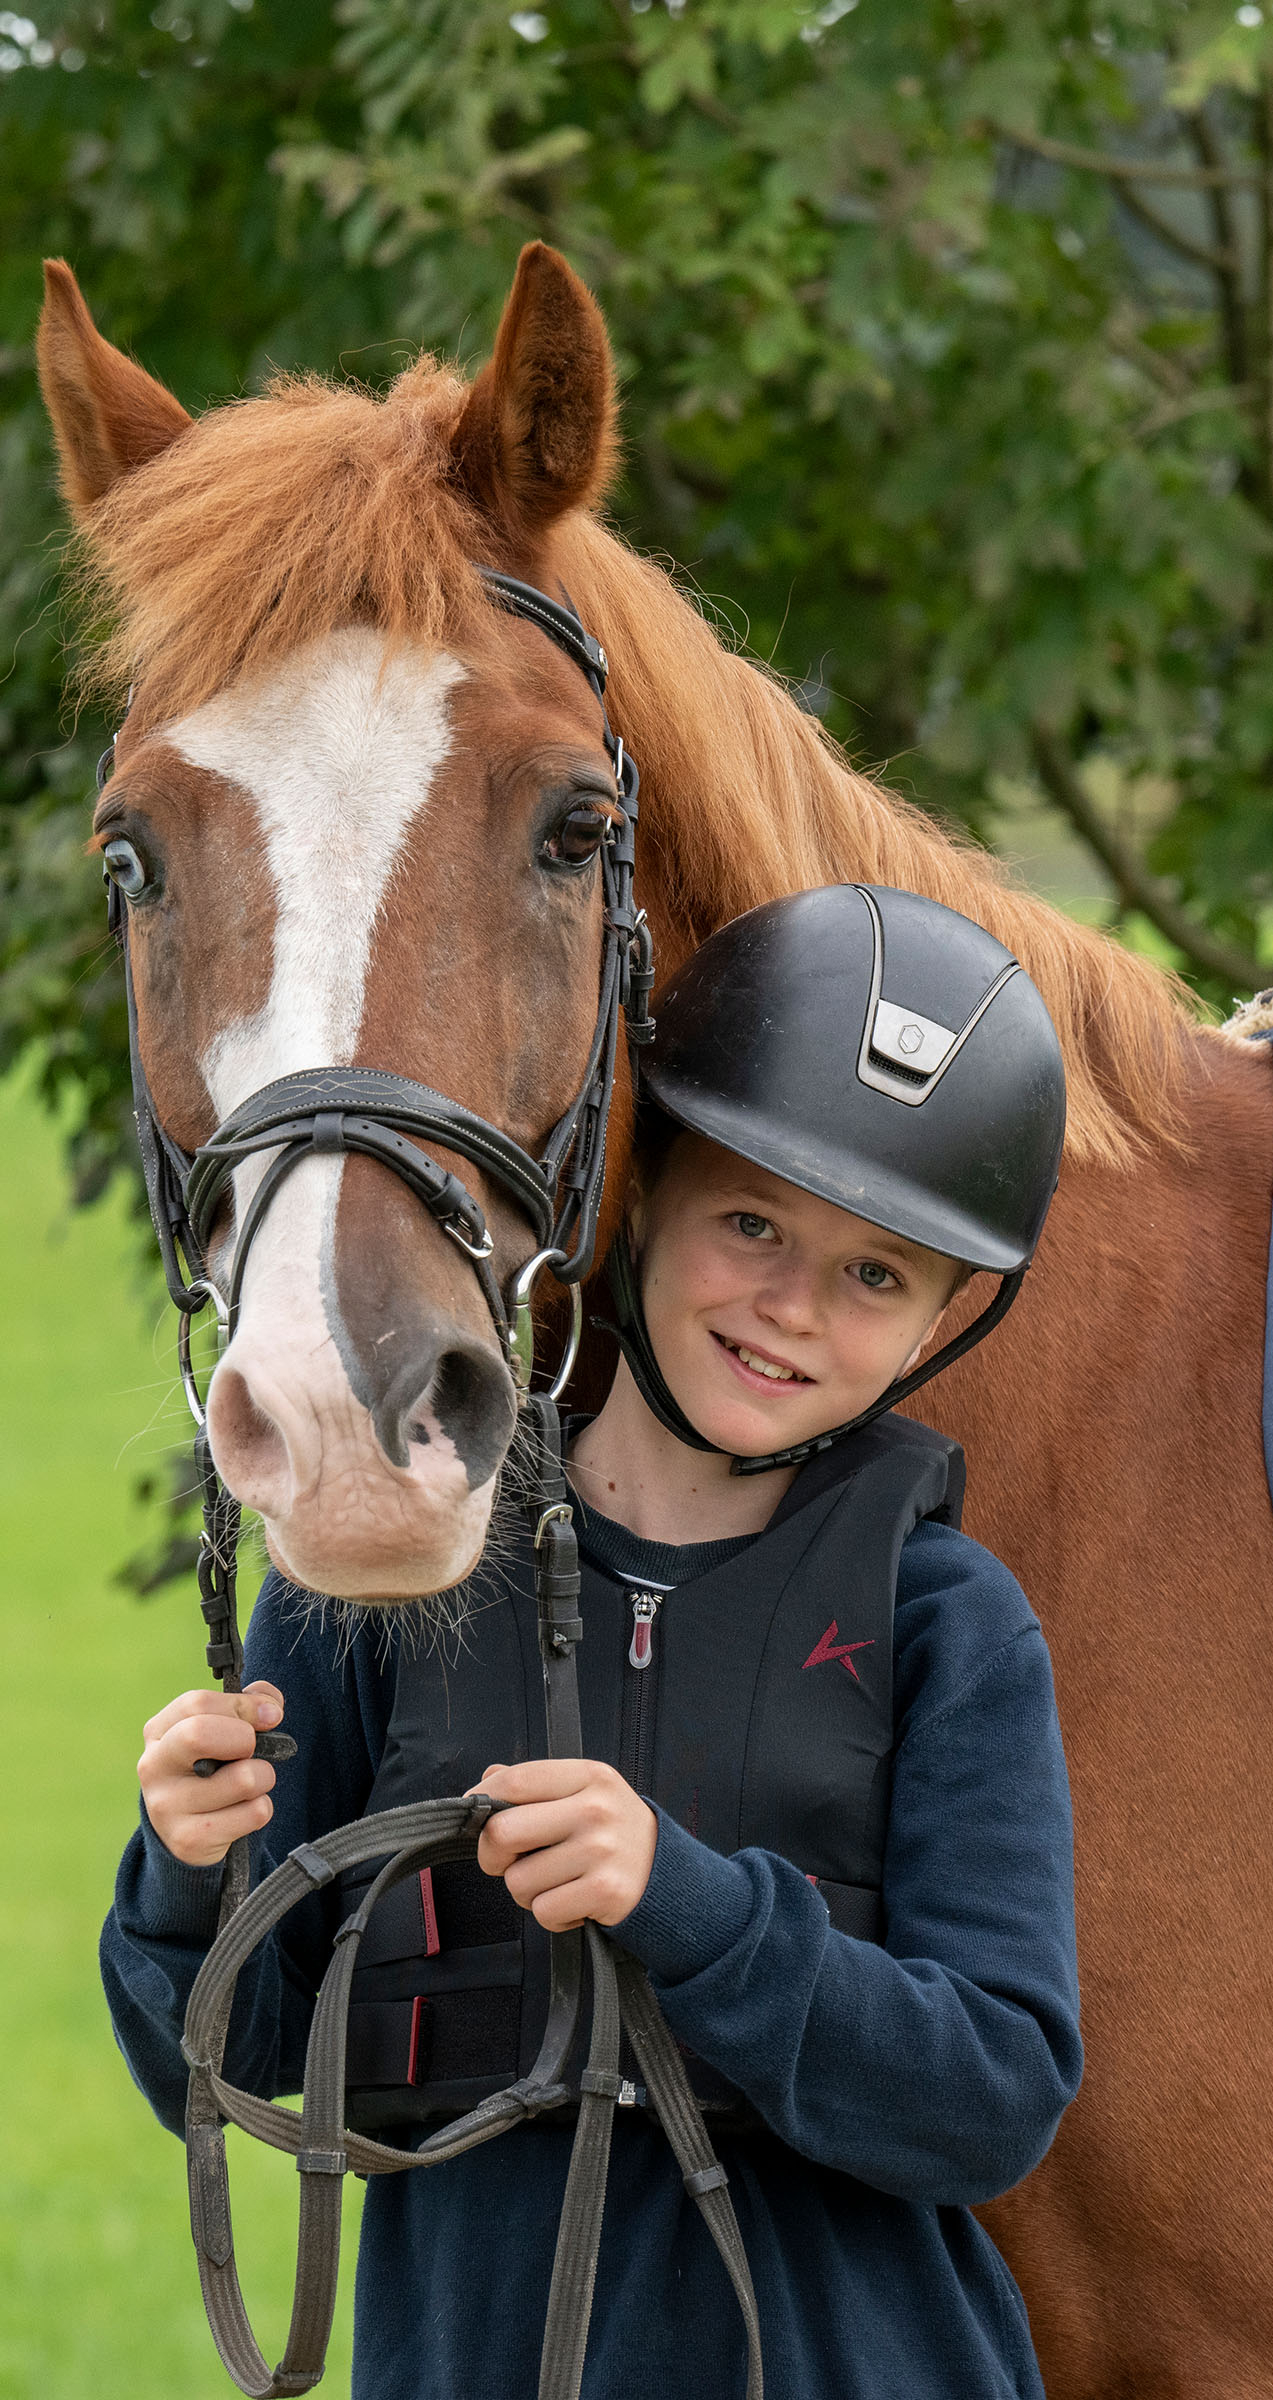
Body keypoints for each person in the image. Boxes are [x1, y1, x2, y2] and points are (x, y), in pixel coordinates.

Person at [102, 882, 1082, 2400]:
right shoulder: (391, 1573)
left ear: (941, 1318)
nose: (793, 1307)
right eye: (751, 1224)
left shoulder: (949, 1622)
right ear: (635, 1206)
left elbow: (993, 2099)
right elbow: (217, 2070)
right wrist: (188, 1872)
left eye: (875, 1274)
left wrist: (691, 1908)